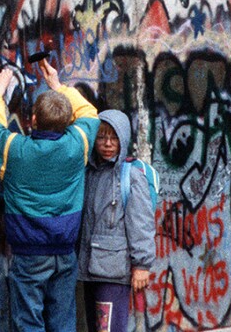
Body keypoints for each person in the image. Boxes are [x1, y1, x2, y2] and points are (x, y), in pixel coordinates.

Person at [0, 60, 100, 332]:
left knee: (29, 323)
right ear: (67, 122)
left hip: (29, 253)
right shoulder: (77, 144)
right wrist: (57, 85)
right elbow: (90, 114)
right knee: (63, 322)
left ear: (32, 120)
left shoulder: (15, 150)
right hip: (65, 250)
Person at [77, 110, 156, 332]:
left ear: (123, 138)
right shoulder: (88, 172)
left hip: (114, 272)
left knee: (109, 329)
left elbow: (141, 223)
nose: (108, 143)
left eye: (114, 137)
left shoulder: (130, 175)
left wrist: (142, 264)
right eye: (101, 137)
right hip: (88, 269)